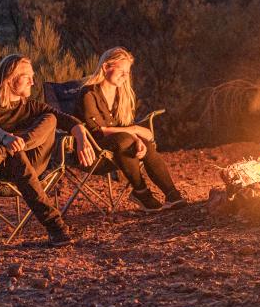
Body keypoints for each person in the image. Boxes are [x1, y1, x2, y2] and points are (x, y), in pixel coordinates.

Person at [0, 54, 87, 246]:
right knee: (17, 154)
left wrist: (82, 139)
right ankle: (55, 227)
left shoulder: (31, 106)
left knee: (50, 119)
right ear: (11, 79)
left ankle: (3, 153)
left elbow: (67, 120)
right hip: (5, 169)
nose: (33, 82)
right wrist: (6, 137)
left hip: (26, 161)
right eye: (27, 77)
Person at [77, 47, 186, 210]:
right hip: (94, 154)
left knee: (144, 144)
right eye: (121, 71)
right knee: (126, 139)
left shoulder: (122, 95)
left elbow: (127, 129)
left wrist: (136, 135)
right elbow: (99, 131)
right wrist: (135, 132)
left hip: (120, 151)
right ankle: (141, 192)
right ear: (106, 67)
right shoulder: (88, 94)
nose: (125, 76)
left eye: (127, 72)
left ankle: (172, 194)